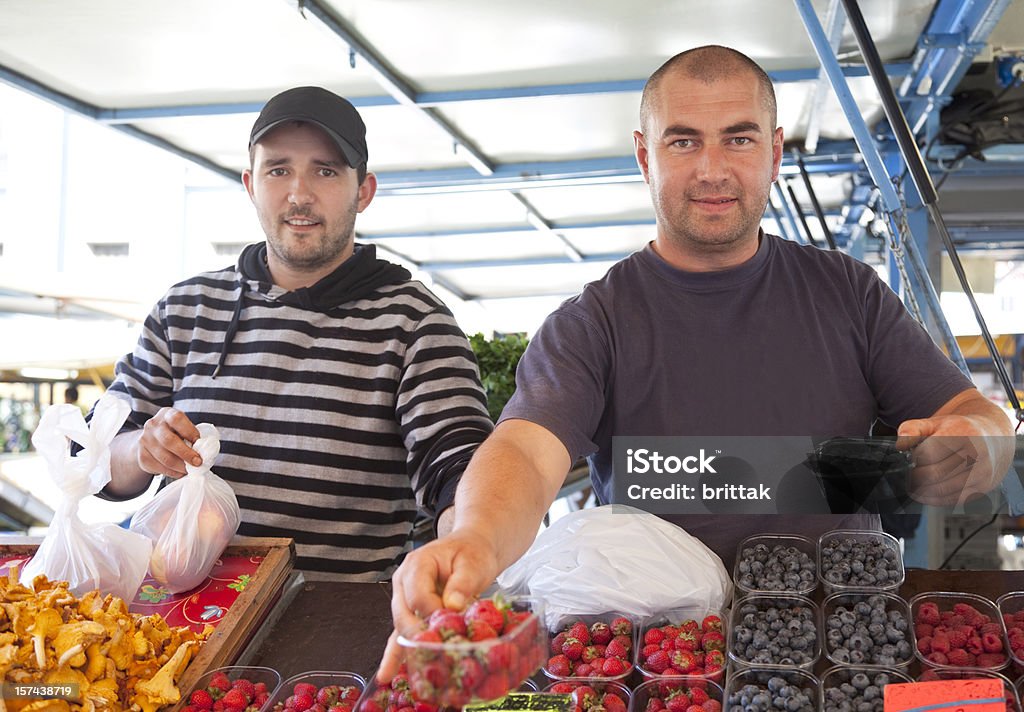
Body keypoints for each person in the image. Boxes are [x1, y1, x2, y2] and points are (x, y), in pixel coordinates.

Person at [380, 45, 1015, 675]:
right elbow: (523, 447)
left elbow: (972, 413)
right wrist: (477, 537)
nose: (712, 169)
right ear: (643, 156)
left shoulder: (849, 293)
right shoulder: (592, 323)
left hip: (842, 639)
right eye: (682, 142)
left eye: (737, 139)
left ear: (773, 152)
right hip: (668, 653)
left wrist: (975, 446)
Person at [100, 86, 493, 581]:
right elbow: (95, 459)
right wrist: (141, 449)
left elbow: (459, 466)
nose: (299, 194)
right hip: (184, 625)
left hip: (332, 634)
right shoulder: (186, 309)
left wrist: (472, 542)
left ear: (363, 191)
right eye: (278, 169)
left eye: (325, 171)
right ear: (250, 184)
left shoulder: (414, 322)